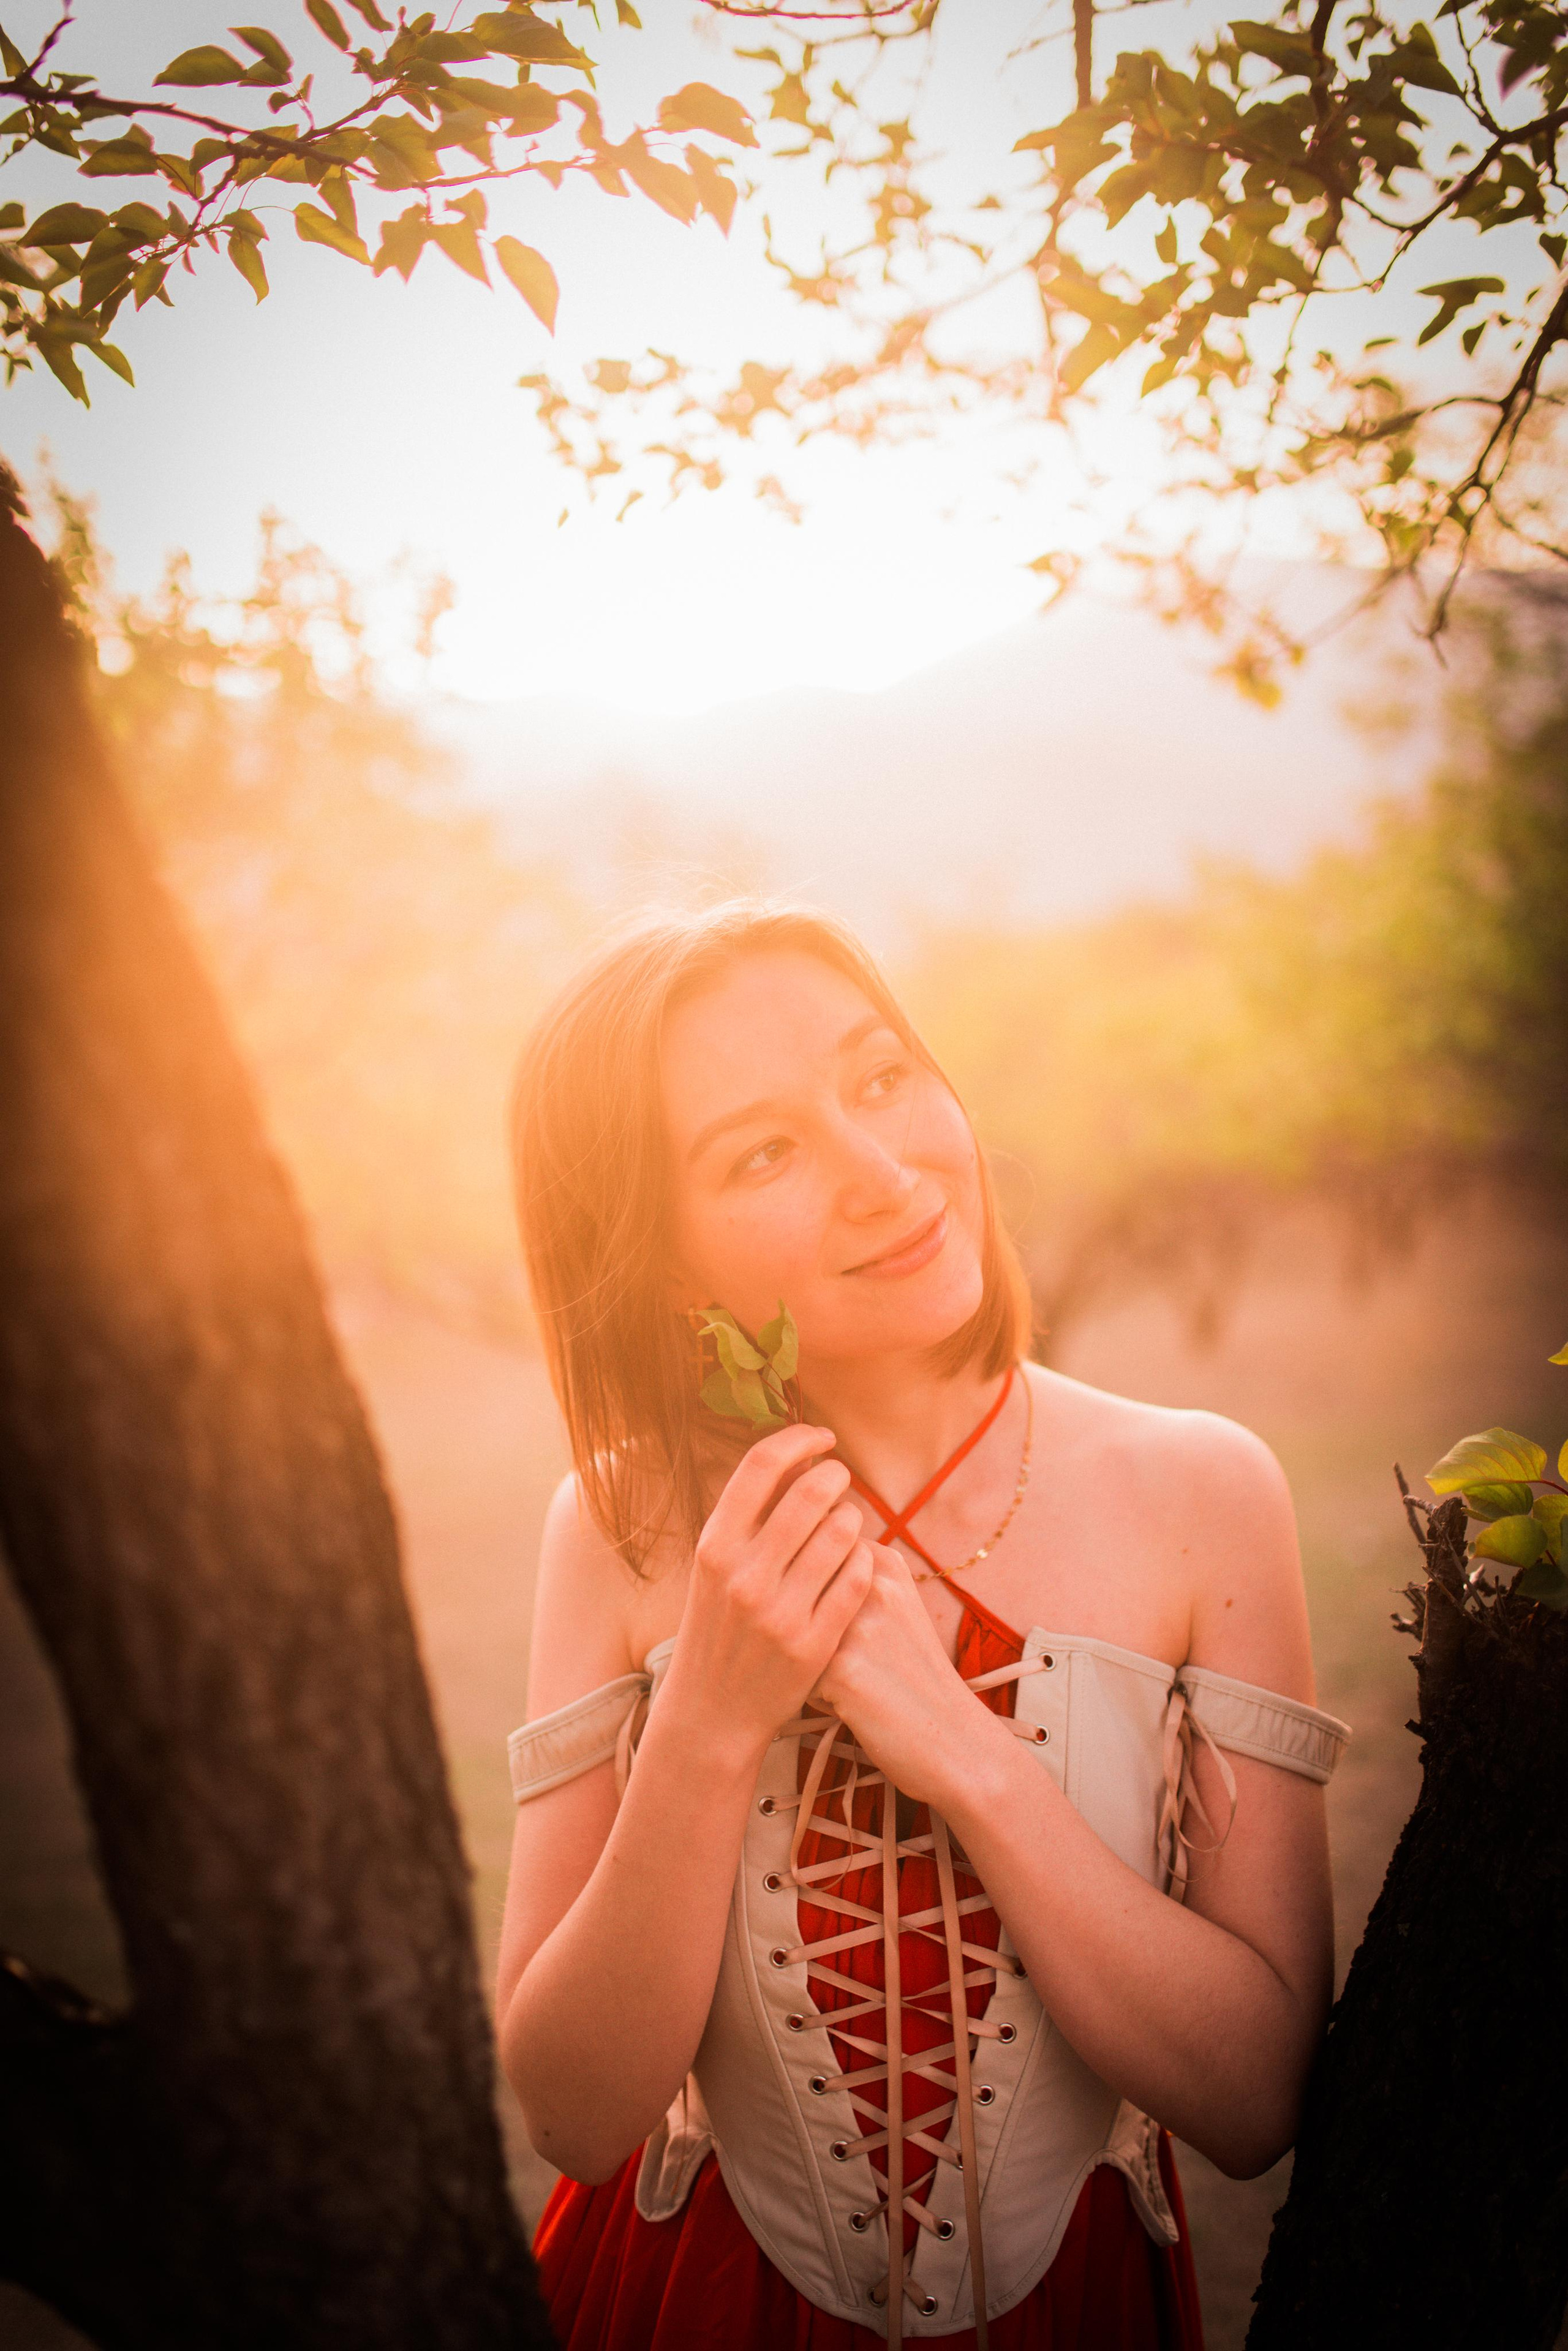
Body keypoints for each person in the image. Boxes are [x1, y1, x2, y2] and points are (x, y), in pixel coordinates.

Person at [496, 902, 1348, 2351]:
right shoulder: (622, 1526)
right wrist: (705, 1717)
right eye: (762, 1151)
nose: (886, 1173)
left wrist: (961, 1745)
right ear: (665, 1264)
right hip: (681, 2307)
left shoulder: (1202, 1491)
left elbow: (1254, 2101)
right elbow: (576, 2114)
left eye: (882, 1075)